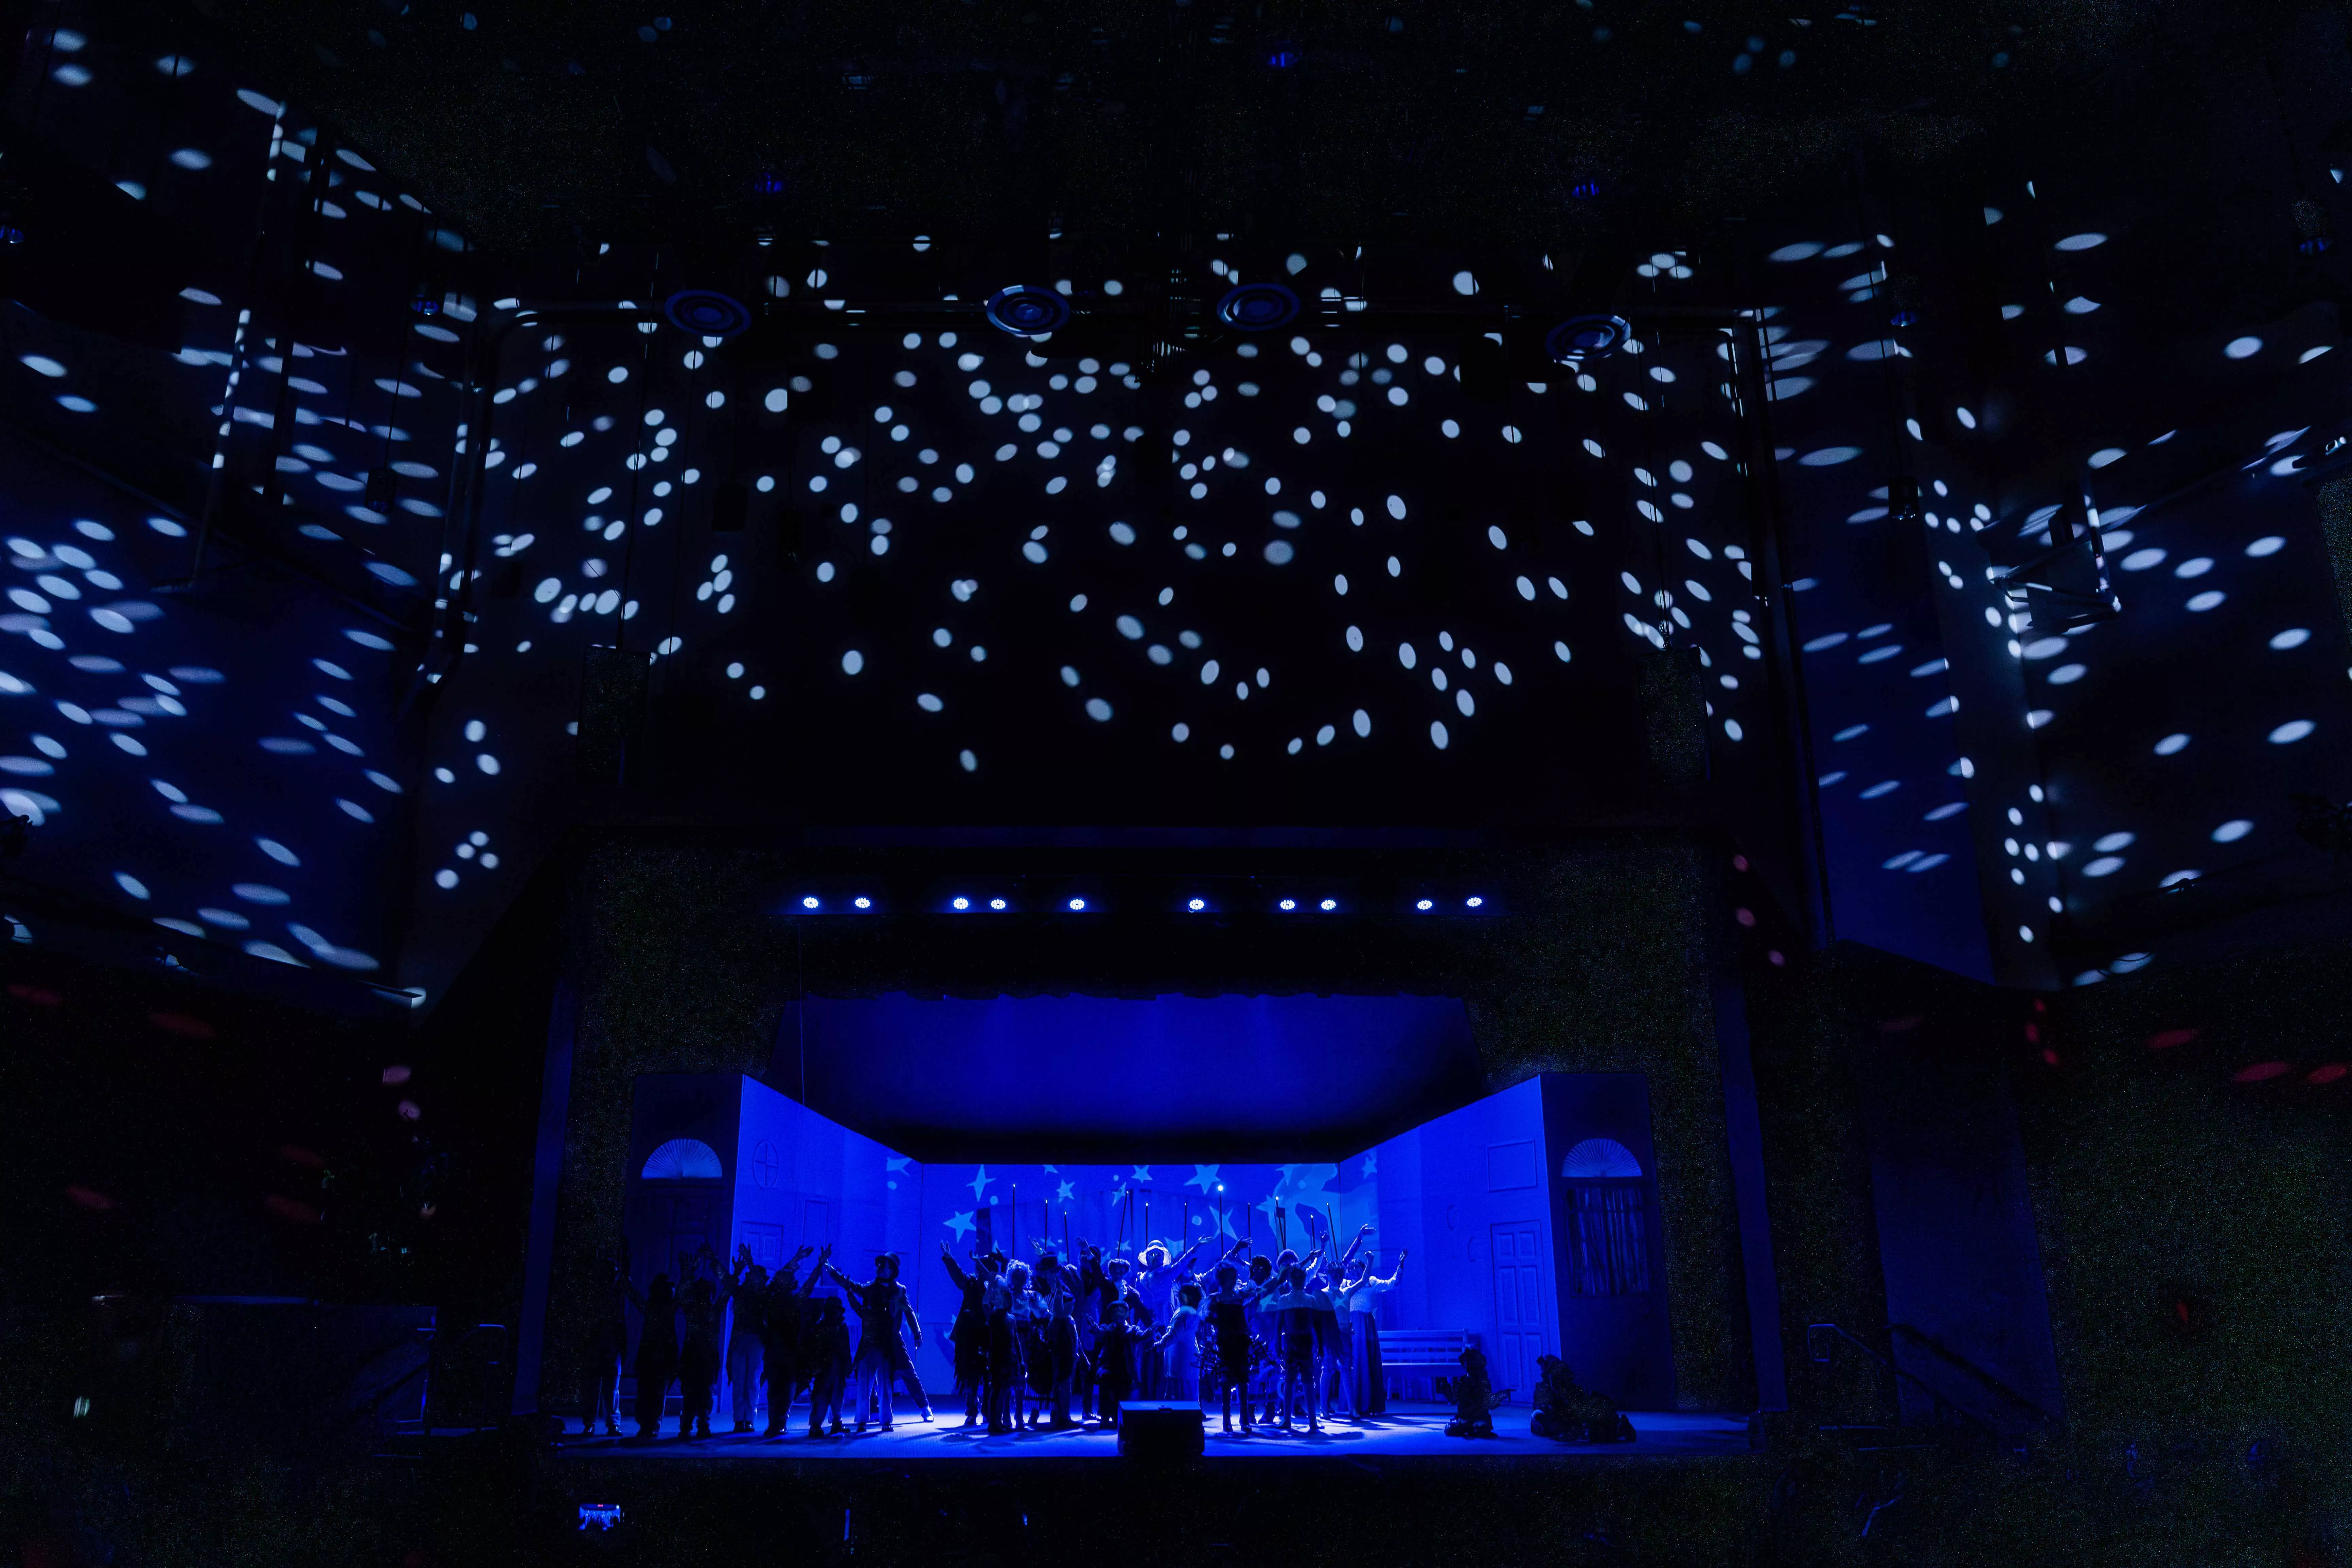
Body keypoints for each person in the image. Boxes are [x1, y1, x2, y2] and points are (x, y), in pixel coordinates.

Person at [819, 1251, 930, 1432]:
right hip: (871, 1340)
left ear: (892, 1270)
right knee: (865, 1377)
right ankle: (867, 1416)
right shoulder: (870, 1288)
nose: (879, 1268)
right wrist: (831, 1271)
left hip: (893, 1341)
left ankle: (925, 1408)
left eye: (884, 1266)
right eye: (878, 1266)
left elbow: (909, 1312)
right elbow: (852, 1286)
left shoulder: (899, 1290)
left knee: (908, 1373)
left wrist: (917, 1333)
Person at [758, 1245, 820, 1437]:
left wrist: (799, 1259)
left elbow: (790, 1279)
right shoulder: (788, 1300)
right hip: (785, 1351)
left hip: (780, 1351)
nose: (794, 1282)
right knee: (783, 1388)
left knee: (778, 1389)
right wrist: (814, 1264)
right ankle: (778, 1423)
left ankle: (776, 1423)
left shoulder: (773, 1299)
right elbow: (807, 1285)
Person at [1336, 1246, 1405, 1418]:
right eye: (1351, 1268)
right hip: (1348, 1326)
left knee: (1365, 1363)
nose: (1353, 1270)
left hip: (1366, 1326)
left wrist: (1400, 1265)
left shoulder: (1371, 1281)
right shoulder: (1344, 1284)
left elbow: (1393, 1284)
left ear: (1364, 1268)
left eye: (1357, 1267)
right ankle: (1351, 1405)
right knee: (1348, 1364)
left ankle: (1368, 1403)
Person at [1259, 1264, 1323, 1434]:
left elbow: (1317, 1325)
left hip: (1306, 1344)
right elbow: (1279, 1323)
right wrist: (1278, 1344)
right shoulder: (1285, 1300)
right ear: (1289, 1280)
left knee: (1309, 1381)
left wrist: (1321, 1345)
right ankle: (1287, 1418)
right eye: (1294, 1279)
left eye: (1300, 1279)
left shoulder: (1310, 1300)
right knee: (1289, 1380)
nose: (1297, 1281)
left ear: (1304, 1280)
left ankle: (1313, 1420)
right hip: (1290, 1343)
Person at [621, 1269, 678, 1442]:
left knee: (654, 1393)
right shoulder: (656, 1308)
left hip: (661, 1357)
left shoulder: (664, 1308)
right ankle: (649, 1425)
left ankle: (651, 1425)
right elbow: (637, 1299)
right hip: (652, 1356)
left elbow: (637, 1299)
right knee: (649, 1393)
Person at [1202, 1262, 1258, 1434]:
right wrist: (1220, 1324)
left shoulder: (1239, 1297)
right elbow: (1206, 1317)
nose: (1234, 1280)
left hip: (1241, 1340)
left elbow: (1244, 1313)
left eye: (1235, 1277)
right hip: (1225, 1341)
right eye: (1230, 1278)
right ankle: (1227, 1419)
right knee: (1226, 1380)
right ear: (1222, 1280)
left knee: (1243, 1378)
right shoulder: (1216, 1299)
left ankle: (1244, 1418)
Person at [676, 1249, 727, 1440]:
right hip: (695, 1357)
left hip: (704, 1358)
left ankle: (696, 1426)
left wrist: (710, 1263)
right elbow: (729, 1287)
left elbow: (729, 1287)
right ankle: (691, 1426)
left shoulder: (705, 1311)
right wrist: (688, 1273)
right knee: (694, 1394)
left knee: (701, 1394)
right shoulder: (699, 1311)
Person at [939, 1244, 991, 1428]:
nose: (979, 1271)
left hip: (989, 1336)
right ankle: (971, 1413)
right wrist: (949, 1258)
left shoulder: (996, 1288)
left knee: (990, 1376)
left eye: (982, 1267)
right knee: (972, 1376)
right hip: (969, 1338)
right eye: (978, 1267)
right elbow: (958, 1276)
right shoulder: (970, 1283)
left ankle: (988, 1411)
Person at [584, 1240, 631, 1437]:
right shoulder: (596, 1293)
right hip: (598, 1345)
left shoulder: (617, 1291)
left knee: (612, 1388)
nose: (613, 1275)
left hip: (612, 1345)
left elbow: (626, 1282)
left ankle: (611, 1423)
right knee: (594, 1387)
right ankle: (591, 1423)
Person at [723, 1246, 769, 1433]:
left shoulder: (764, 1295)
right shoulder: (741, 1294)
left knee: (753, 1380)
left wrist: (749, 1262)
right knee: (740, 1380)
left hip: (757, 1340)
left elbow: (760, 1286)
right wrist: (737, 1271)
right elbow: (726, 1281)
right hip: (741, 1339)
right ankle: (740, 1419)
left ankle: (749, 1418)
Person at [804, 1290, 852, 1437]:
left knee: (837, 1396)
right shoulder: (821, 1327)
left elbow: (846, 1347)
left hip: (837, 1369)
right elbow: (814, 1348)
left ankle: (836, 1422)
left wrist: (847, 1365)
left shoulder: (840, 1326)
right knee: (821, 1397)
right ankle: (816, 1425)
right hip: (824, 1369)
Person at [1091, 1300, 1142, 1430]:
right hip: (1109, 1367)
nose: (1118, 1314)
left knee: (1123, 1392)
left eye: (1121, 1311)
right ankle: (1105, 1416)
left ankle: (1118, 1417)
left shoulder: (1132, 1330)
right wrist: (1094, 1329)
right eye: (1115, 1312)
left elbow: (1141, 1336)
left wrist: (1150, 1333)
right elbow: (1099, 1333)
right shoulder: (1108, 1329)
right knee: (1106, 1389)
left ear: (1126, 1314)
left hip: (1126, 1369)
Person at [1154, 1280, 1204, 1401]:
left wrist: (1161, 1344)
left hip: (1181, 1358)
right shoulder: (1191, 1313)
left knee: (1181, 1394)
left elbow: (1174, 1333)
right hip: (1187, 1355)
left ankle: (1182, 1418)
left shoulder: (1184, 1314)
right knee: (1189, 1391)